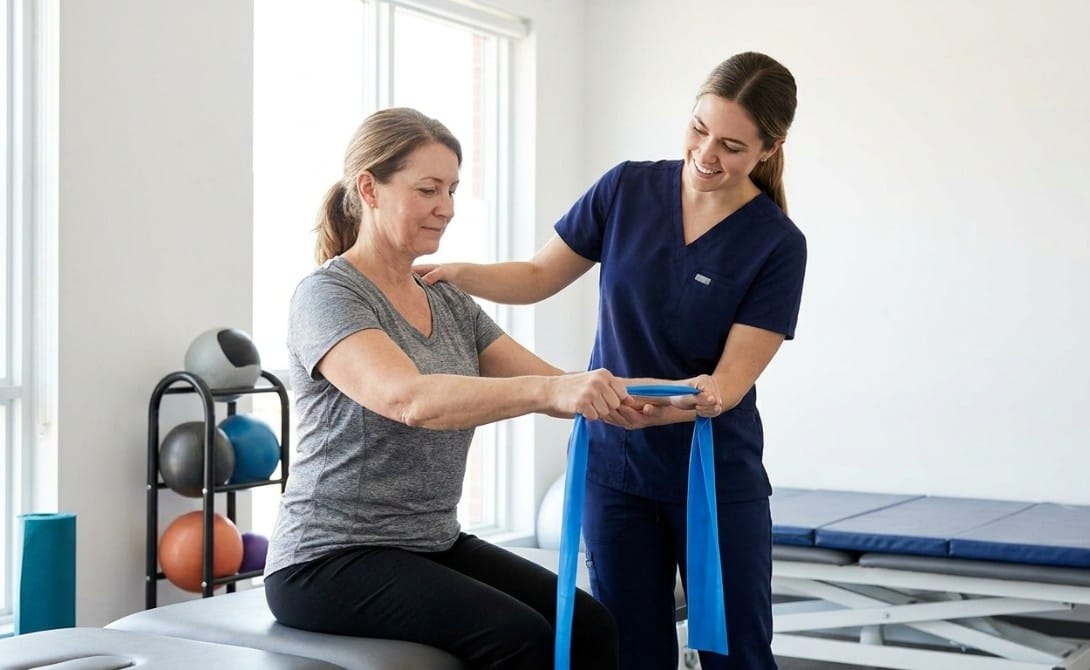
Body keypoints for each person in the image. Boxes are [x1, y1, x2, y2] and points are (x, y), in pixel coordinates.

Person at [262, 107, 719, 670]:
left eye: (452, 189)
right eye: (427, 189)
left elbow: (560, 383)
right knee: (516, 636)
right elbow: (410, 399)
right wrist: (554, 394)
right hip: (329, 558)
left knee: (591, 625)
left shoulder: (446, 298)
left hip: (431, 541)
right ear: (368, 189)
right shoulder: (329, 296)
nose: (446, 208)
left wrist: (671, 398)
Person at [416, 52, 807, 669]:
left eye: (732, 145)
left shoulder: (776, 244)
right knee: (628, 648)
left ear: (770, 147)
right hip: (613, 469)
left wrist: (668, 407)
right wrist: (457, 272)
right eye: (699, 130)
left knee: (738, 655)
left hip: (712, 477)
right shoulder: (627, 187)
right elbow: (540, 274)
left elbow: (727, 385)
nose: (706, 154)